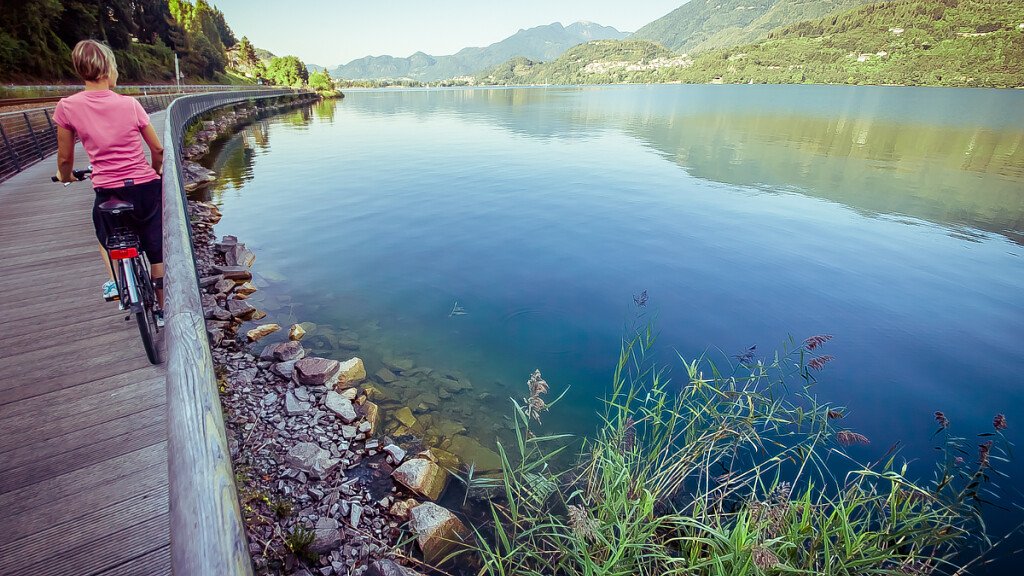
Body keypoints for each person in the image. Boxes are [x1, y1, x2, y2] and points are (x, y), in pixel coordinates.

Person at [53, 39, 165, 326]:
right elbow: (157, 150)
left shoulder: (67, 107)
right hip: (144, 186)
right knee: (155, 243)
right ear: (108, 70)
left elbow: (65, 158)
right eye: (115, 67)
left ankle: (116, 282)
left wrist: (65, 178)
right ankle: (163, 311)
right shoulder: (130, 104)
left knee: (105, 233)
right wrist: (156, 171)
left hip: (108, 190)